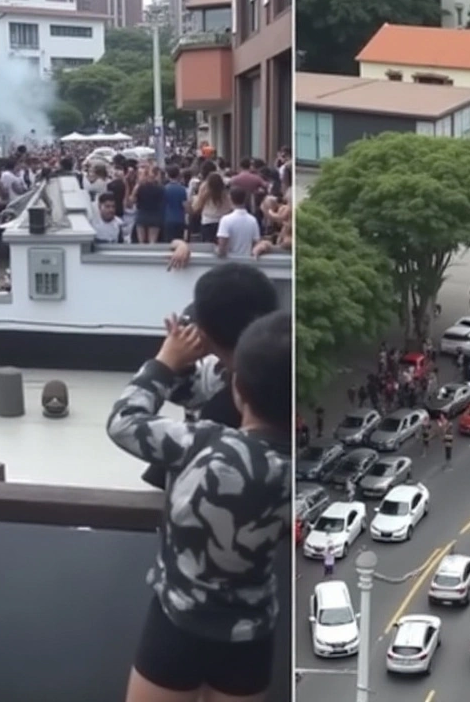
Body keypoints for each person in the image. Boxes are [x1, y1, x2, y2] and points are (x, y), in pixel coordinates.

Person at [105, 308, 291, 702]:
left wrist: (165, 361)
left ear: (238, 387)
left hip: (177, 623)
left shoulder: (203, 444)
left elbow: (124, 420)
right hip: (252, 636)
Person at [137, 263, 280, 491]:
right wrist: (182, 365)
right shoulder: (254, 370)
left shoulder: (224, 407)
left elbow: (126, 424)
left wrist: (165, 362)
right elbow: (191, 393)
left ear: (205, 332)